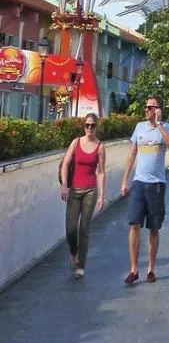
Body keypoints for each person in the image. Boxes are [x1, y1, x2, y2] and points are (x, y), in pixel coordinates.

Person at [121, 95, 169, 285]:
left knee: (153, 227)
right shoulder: (139, 128)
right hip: (139, 182)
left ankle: (151, 269)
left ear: (158, 110)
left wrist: (159, 124)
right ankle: (134, 269)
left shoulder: (165, 127)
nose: (147, 110)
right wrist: (125, 180)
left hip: (157, 184)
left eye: (151, 107)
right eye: (146, 107)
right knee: (134, 224)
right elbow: (132, 155)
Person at [60, 113, 105, 279]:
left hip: (90, 191)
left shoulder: (100, 147)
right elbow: (65, 164)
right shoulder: (76, 142)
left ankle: (81, 266)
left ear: (96, 127)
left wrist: (102, 195)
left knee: (84, 229)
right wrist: (64, 185)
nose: (89, 128)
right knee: (71, 230)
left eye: (92, 125)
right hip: (74, 190)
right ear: (84, 126)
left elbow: (101, 172)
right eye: (87, 125)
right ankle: (73, 254)